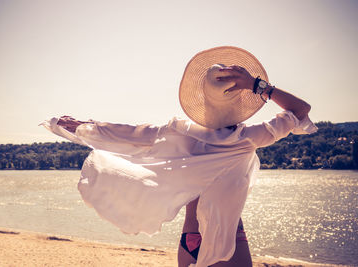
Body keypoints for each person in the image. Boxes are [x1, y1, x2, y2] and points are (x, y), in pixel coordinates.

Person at [41, 46, 317, 267]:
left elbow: (130, 134)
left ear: (203, 100)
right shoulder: (248, 138)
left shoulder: (180, 132)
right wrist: (257, 85)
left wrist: (86, 126)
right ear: (239, 103)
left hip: (191, 237)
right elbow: (300, 110)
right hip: (228, 238)